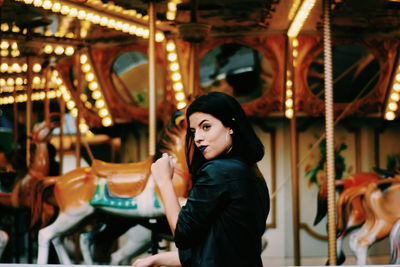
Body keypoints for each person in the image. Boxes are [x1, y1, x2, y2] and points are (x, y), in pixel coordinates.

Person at [133, 92, 270, 267]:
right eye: (193, 131)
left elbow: (182, 235)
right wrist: (157, 259)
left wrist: (164, 181)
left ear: (230, 126)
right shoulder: (251, 171)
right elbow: (218, 251)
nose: (197, 138)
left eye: (206, 127)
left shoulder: (218, 171)